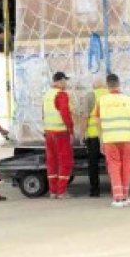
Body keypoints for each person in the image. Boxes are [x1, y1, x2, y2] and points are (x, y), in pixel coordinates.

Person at [96, 73, 130, 208]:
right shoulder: (129, 100)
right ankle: (126, 196)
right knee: (127, 167)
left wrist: (101, 140)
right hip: (128, 138)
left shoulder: (101, 101)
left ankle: (118, 197)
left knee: (114, 167)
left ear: (107, 85)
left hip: (110, 139)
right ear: (119, 84)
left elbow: (98, 122)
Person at [43, 71, 75, 199]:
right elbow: (65, 113)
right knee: (65, 161)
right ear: (60, 81)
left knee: (52, 161)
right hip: (61, 133)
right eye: (65, 81)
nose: (66, 83)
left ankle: (53, 191)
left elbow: (43, 113)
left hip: (49, 132)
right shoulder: (61, 94)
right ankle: (61, 191)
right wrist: (71, 130)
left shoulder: (47, 94)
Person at [86, 79, 109, 198]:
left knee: (93, 165)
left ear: (94, 85)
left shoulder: (91, 95)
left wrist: (83, 132)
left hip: (93, 135)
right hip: (108, 135)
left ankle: (95, 191)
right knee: (111, 163)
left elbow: (86, 115)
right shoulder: (109, 94)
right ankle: (116, 189)